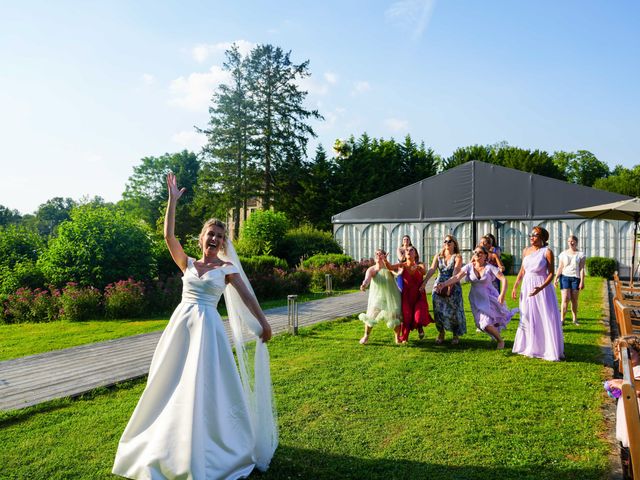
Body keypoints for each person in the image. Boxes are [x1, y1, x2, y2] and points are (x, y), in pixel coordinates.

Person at [113, 173, 277, 479]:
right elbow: (168, 238)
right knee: (170, 382)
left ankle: (211, 441)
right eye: (210, 234)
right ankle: (165, 441)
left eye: (219, 236)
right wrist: (172, 201)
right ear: (201, 238)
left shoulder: (227, 269)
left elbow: (249, 298)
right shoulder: (187, 263)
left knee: (205, 386)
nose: (214, 239)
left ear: (223, 242)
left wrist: (263, 324)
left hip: (208, 332)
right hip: (181, 328)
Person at [435, 245, 516, 350]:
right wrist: (444, 284)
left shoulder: (489, 267)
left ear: (485, 256)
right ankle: (495, 333)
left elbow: (503, 279)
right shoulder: (469, 267)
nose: (476, 254)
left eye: (479, 253)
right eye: (475, 252)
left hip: (489, 297)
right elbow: (456, 277)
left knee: (485, 324)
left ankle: (500, 341)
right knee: (480, 324)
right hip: (475, 299)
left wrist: (502, 294)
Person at [511, 226, 564, 361]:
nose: (532, 237)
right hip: (527, 285)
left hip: (542, 287)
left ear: (542, 238)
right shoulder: (526, 251)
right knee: (527, 315)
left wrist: (540, 288)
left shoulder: (547, 252)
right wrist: (515, 286)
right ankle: (528, 346)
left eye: (535, 235)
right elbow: (522, 271)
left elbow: (551, 273)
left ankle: (545, 348)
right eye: (531, 235)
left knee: (543, 316)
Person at [420, 235, 466, 345]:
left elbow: (455, 272)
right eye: (445, 241)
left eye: (450, 241)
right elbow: (432, 270)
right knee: (438, 311)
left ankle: (455, 334)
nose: (447, 243)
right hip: (438, 285)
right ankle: (441, 332)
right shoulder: (438, 256)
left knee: (454, 311)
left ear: (454, 243)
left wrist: (450, 286)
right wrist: (424, 282)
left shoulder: (457, 257)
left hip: (452, 284)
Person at [606, 335, 640, 474]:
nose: (623, 356)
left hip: (637, 411)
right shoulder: (630, 369)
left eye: (628, 352)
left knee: (635, 438)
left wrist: (621, 385)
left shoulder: (638, 368)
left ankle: (635, 465)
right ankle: (632, 462)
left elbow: (637, 388)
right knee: (631, 441)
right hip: (630, 409)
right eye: (620, 352)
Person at [386, 246, 433, 343]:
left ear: (415, 254)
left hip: (419, 295)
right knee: (407, 317)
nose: (409, 251)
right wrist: (385, 261)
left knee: (418, 315)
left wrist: (418, 267)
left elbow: (424, 272)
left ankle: (419, 326)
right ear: (404, 254)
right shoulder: (402, 265)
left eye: (412, 250)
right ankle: (405, 338)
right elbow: (390, 267)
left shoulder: (420, 265)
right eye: (407, 250)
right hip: (406, 296)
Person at [358, 249, 402, 344]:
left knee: (395, 316)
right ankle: (366, 336)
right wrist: (364, 285)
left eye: (380, 254)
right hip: (378, 297)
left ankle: (397, 338)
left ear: (385, 255)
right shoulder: (372, 269)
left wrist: (398, 272)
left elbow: (396, 273)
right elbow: (367, 279)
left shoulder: (389, 267)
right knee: (371, 316)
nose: (378, 256)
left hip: (392, 295)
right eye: (376, 254)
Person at [554, 235, 586, 326]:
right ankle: (562, 320)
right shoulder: (563, 254)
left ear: (576, 242)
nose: (571, 243)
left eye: (572, 241)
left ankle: (575, 319)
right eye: (569, 241)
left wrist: (582, 281)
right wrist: (556, 278)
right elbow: (560, 267)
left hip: (576, 278)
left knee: (574, 300)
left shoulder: (581, 254)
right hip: (564, 277)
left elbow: (581, 269)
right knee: (565, 299)